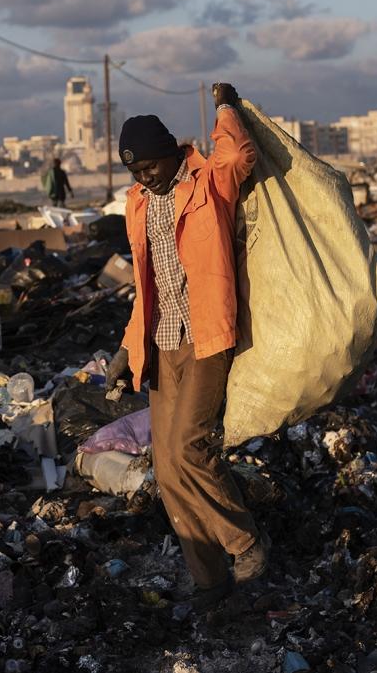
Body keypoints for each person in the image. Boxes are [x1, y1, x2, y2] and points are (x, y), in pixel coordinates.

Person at [105, 82, 268, 611]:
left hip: (205, 335)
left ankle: (246, 543)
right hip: (160, 342)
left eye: (149, 167)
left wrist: (226, 106)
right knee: (168, 469)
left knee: (191, 447)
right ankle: (210, 581)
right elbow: (144, 287)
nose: (143, 178)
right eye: (135, 171)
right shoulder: (136, 204)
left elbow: (241, 152)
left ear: (170, 153)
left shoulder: (208, 182)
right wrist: (126, 352)